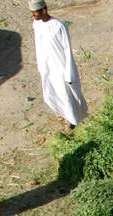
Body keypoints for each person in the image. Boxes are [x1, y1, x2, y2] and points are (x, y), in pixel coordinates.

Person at [30, 1, 87, 129]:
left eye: (35, 13)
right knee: (52, 93)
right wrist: (41, 65)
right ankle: (68, 116)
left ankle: (74, 120)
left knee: (66, 94)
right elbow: (38, 44)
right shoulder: (36, 24)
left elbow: (67, 50)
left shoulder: (59, 26)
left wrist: (68, 72)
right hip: (47, 66)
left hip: (60, 66)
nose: (34, 16)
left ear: (44, 10)